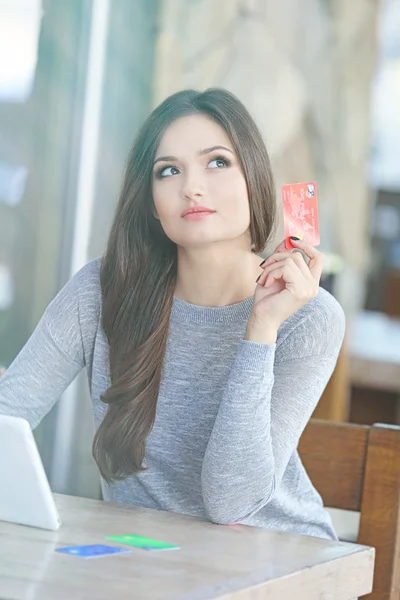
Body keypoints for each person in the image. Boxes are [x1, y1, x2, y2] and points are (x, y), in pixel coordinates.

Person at [0, 88, 345, 539]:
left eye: (218, 162)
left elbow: (230, 503)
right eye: (169, 171)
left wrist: (262, 327)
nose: (192, 187)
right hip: (146, 561)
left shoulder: (309, 317)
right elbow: (10, 416)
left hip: (279, 562)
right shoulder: (101, 291)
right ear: (150, 201)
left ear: (254, 178)